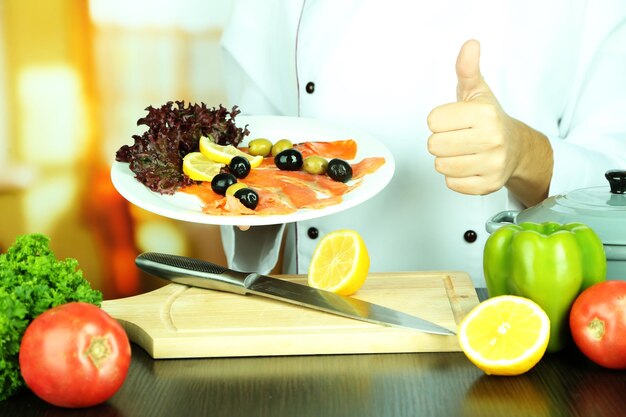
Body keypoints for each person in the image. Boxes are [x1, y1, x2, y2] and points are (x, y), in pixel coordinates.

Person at [218, 0, 626, 287]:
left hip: (505, 313)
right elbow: (253, 141)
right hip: (323, 309)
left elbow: (615, 179)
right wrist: (250, 202)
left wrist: (523, 154)